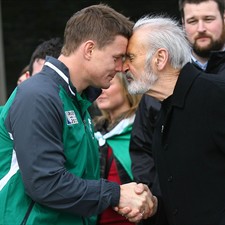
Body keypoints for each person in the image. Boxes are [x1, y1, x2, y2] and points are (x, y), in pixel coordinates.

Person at [0, 4, 157, 225]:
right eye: (117, 57)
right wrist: (117, 194)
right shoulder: (38, 95)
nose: (122, 68)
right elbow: (46, 184)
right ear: (89, 49)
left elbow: (78, 184)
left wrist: (126, 195)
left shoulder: (76, 101)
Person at [122, 14, 225, 225]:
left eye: (130, 58)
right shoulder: (163, 113)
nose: (123, 68)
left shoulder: (216, 96)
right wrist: (154, 206)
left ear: (160, 58)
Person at [93, 72, 142, 225]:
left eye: (108, 84)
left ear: (127, 87)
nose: (101, 91)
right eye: (98, 86)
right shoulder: (93, 130)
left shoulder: (142, 130)